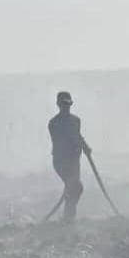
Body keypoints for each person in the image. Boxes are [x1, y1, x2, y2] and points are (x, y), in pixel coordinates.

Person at [48, 91, 91, 222]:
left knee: (74, 188)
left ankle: (68, 217)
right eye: (63, 105)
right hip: (61, 162)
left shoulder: (76, 121)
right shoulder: (53, 123)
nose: (66, 107)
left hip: (74, 161)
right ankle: (68, 217)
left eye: (67, 105)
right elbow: (60, 142)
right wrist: (77, 145)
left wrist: (85, 147)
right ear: (58, 105)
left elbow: (78, 136)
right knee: (76, 187)